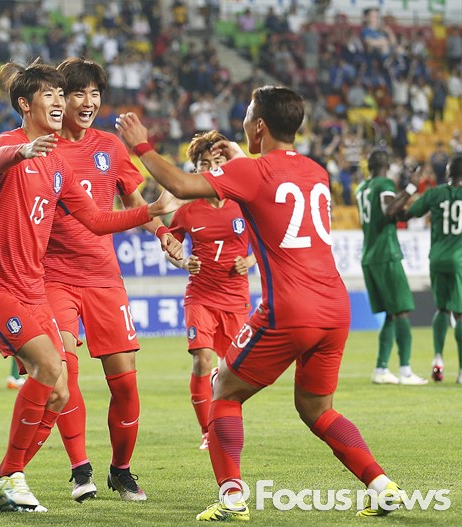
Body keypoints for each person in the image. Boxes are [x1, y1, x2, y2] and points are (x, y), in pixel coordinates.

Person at [115, 86, 405, 521]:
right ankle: (381, 486)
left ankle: (231, 496)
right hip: (335, 307)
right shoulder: (316, 171)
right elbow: (271, 182)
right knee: (317, 410)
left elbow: (179, 184)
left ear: (259, 126)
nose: (244, 123)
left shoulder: (251, 173)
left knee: (223, 390)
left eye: (248, 116)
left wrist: (141, 145)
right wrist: (242, 155)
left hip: (289, 308)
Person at [0, 59, 176, 514]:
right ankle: (27, 476)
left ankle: (1, 483)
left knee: (58, 389)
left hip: (36, 287)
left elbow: (96, 219)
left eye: (64, 94)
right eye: (52, 94)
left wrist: (152, 212)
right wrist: (23, 152)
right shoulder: (8, 145)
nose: (62, 102)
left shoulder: (59, 163)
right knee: (50, 366)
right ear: (25, 104)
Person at [43, 57, 182, 504]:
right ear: (59, 99)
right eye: (78, 93)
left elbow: (135, 201)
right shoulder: (41, 149)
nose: (88, 102)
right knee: (63, 370)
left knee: (124, 383)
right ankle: (79, 468)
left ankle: (121, 471)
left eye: (94, 94)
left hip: (104, 278)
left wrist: (163, 234)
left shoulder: (109, 146)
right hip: (53, 277)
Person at [165, 130, 255, 451]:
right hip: (200, 296)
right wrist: (183, 262)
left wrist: (249, 261)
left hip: (236, 299)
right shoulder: (187, 210)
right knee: (202, 360)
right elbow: (171, 247)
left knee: (233, 372)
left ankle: (221, 405)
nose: (212, 168)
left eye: (217, 161)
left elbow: (266, 242)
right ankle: (208, 431)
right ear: (196, 170)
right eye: (204, 163)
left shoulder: (244, 205)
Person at [354, 150, 427, 386]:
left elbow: (386, 215)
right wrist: (411, 188)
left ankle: (381, 368)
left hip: (369, 255)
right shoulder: (384, 184)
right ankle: (405, 370)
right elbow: (389, 209)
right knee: (402, 311)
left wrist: (409, 208)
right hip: (386, 253)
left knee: (390, 313)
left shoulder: (361, 188)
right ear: (386, 167)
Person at [387, 155, 462, 383]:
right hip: (459, 259)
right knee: (460, 314)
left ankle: (438, 359)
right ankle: (461, 371)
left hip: (437, 258)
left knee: (442, 309)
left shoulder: (434, 194)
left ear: (447, 173)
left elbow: (405, 215)